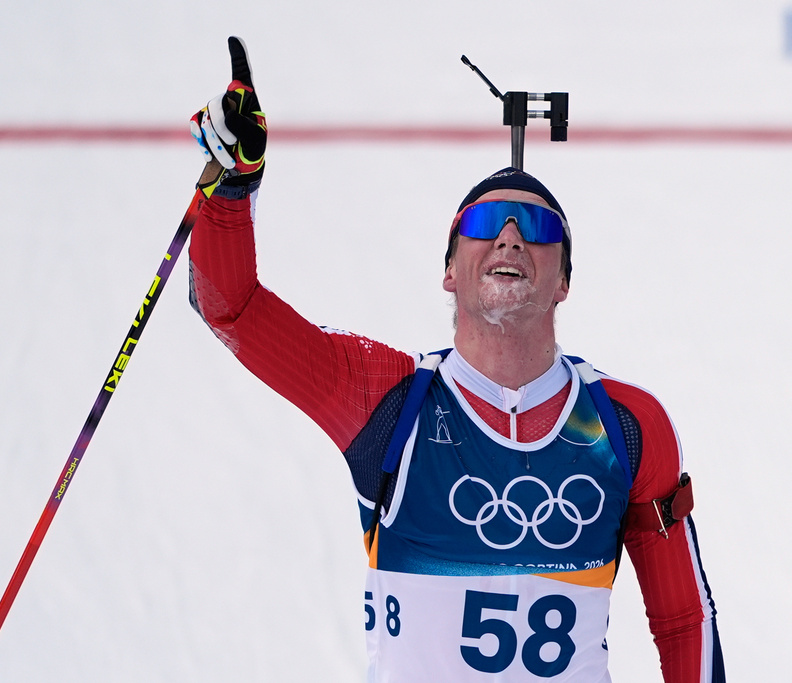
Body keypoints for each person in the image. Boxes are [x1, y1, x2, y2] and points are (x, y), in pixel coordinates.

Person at [188, 37, 724, 683]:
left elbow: (683, 620)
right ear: (448, 271)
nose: (510, 236)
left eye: (539, 228)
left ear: (563, 282)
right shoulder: (386, 399)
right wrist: (231, 187)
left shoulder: (627, 428)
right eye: (488, 220)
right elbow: (233, 306)